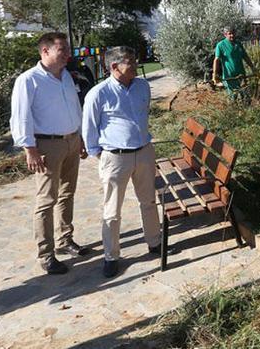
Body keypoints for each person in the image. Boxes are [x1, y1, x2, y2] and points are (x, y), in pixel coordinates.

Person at [10, 32, 90, 275]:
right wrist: (29, 149)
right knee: (46, 200)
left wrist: (81, 136)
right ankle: (46, 254)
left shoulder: (66, 76)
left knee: (68, 193)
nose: (68, 54)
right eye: (62, 50)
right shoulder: (29, 80)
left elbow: (75, 106)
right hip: (46, 145)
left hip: (71, 141)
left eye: (67, 50)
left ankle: (66, 239)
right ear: (45, 52)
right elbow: (21, 116)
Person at [82, 46, 161, 278]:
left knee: (148, 201)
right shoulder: (99, 93)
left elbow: (144, 113)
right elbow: (88, 128)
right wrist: (101, 154)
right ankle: (111, 256)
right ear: (114, 67)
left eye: (134, 60)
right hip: (115, 157)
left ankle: (154, 242)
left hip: (144, 152)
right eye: (130, 62)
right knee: (112, 209)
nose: (135, 65)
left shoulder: (142, 86)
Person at [212, 26, 256, 97]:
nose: (232, 35)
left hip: (241, 75)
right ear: (225, 35)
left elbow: (245, 57)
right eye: (230, 34)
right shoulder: (220, 45)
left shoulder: (238, 44)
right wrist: (214, 75)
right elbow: (216, 60)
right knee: (233, 97)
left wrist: (252, 67)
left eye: (233, 33)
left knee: (245, 96)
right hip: (229, 76)